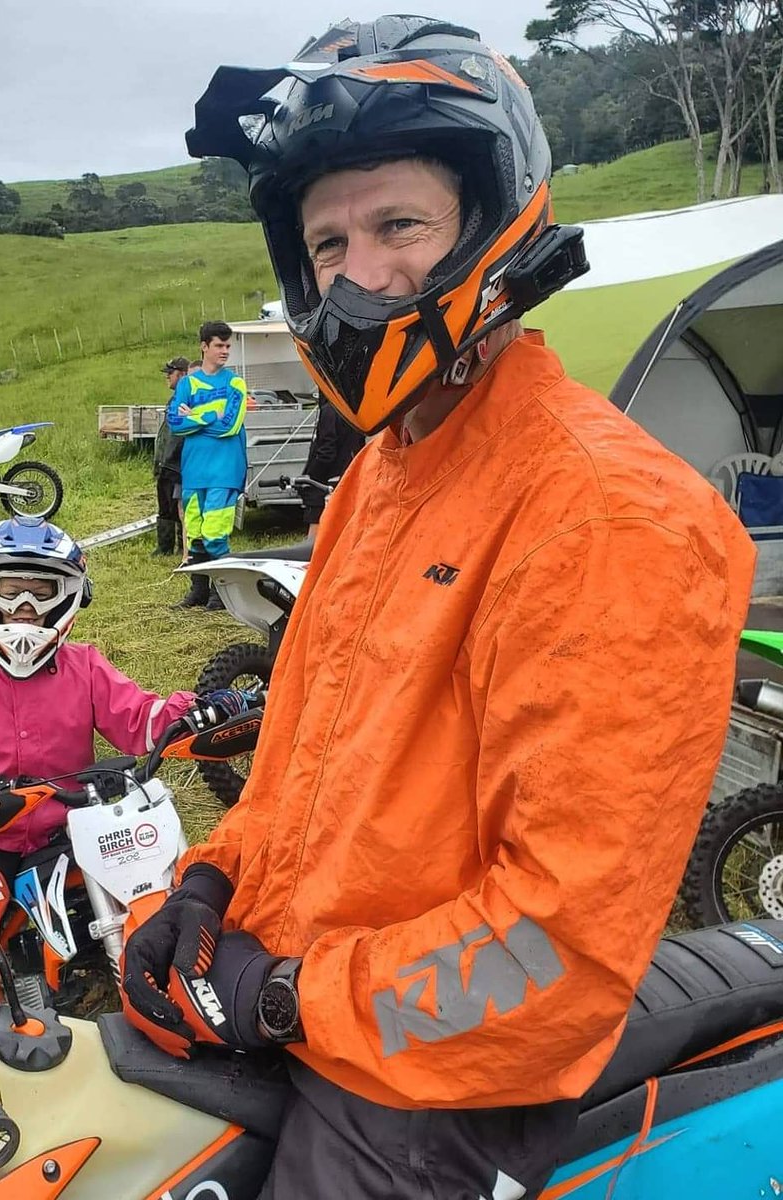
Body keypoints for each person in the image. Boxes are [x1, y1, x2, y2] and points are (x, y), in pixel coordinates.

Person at [120, 16, 756, 1200]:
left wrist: (279, 995)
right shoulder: (385, 471)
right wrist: (206, 882)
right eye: (327, 241)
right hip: (318, 1009)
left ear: (493, 224)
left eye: (399, 224)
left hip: (430, 1085)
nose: (358, 275)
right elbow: (308, 770)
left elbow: (552, 943)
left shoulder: (605, 516)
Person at [0, 516, 252, 1002]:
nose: (25, 606)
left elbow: (141, 719)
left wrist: (197, 711)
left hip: (72, 827)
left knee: (148, 888)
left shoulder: (85, 666)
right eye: (12, 589)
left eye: (41, 590)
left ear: (67, 595)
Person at [167, 321, 249, 610]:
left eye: (228, 346)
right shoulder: (187, 383)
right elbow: (175, 424)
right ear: (204, 346)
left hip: (224, 470)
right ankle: (198, 592)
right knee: (197, 534)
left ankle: (222, 594)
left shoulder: (235, 383)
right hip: (194, 471)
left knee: (216, 533)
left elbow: (230, 425)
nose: (225, 351)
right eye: (219, 345)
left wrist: (196, 416)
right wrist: (211, 412)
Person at [296, 394, 364, 536]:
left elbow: (326, 452)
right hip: (347, 476)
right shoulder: (354, 411)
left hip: (323, 483)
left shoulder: (329, 411)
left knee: (314, 536)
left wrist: (311, 476)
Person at [152, 357, 189, 556]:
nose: (167, 376)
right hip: (165, 462)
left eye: (171, 373)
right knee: (165, 504)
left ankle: (184, 547)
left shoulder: (187, 398)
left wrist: (172, 459)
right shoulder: (174, 398)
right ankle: (164, 547)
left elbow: (181, 436)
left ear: (182, 374)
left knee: (181, 507)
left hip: (177, 463)